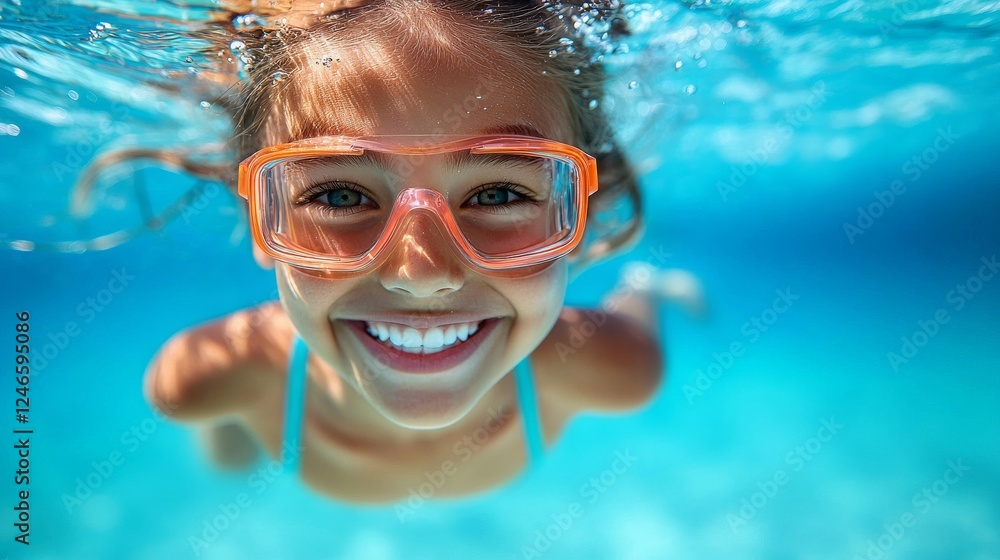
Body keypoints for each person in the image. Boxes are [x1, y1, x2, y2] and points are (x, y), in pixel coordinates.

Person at [143, 0, 692, 504]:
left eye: (497, 195)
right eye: (340, 196)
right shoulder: (204, 377)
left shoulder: (619, 366)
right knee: (228, 460)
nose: (421, 274)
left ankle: (648, 287)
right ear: (261, 219)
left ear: (581, 214)